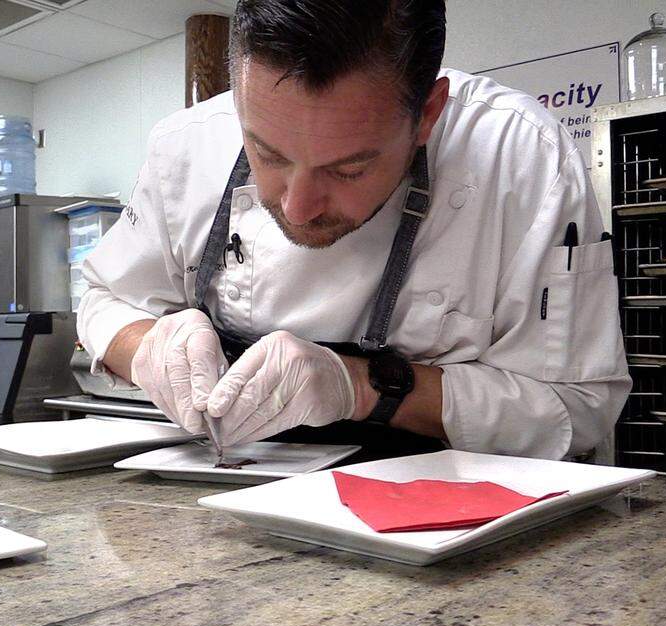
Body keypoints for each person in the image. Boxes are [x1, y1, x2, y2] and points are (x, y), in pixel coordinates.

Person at [75, 0, 630, 461]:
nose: (297, 206)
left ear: (429, 114)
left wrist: (361, 386)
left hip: (435, 514)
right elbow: (105, 297)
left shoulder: (521, 154)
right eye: (266, 153)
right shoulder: (185, 145)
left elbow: (575, 409)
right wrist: (147, 346)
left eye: (348, 169)